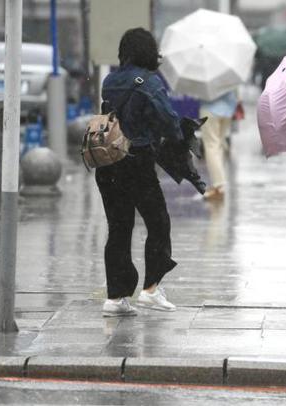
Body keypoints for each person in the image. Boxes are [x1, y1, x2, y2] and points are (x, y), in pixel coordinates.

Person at [97, 27, 180, 316]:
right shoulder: (150, 82)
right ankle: (151, 289)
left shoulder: (109, 80)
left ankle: (115, 297)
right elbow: (168, 122)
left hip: (108, 162)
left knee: (119, 228)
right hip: (137, 161)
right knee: (158, 223)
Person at [199, 90, 238, 200]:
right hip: (228, 108)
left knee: (211, 146)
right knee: (218, 145)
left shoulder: (204, 73)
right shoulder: (228, 72)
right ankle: (219, 184)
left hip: (210, 108)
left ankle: (218, 185)